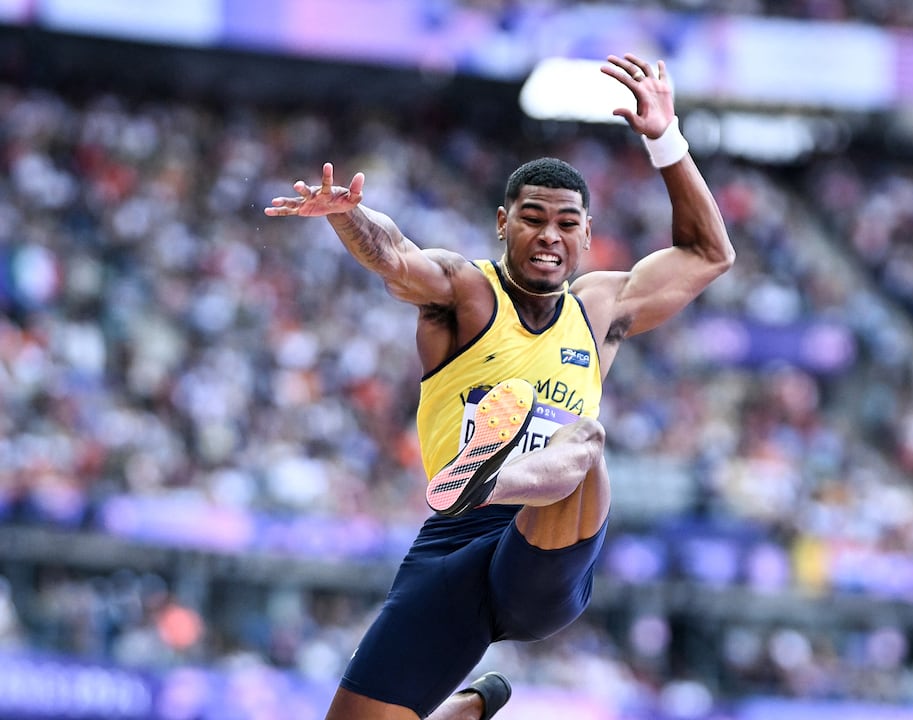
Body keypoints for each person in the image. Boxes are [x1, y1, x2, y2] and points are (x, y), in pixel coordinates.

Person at [265, 52, 734, 720]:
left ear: (587, 235)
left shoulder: (601, 308)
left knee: (586, 441)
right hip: (452, 545)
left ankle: (494, 473)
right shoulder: (467, 291)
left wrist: (666, 139)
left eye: (566, 223)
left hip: (544, 550)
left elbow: (709, 254)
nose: (548, 235)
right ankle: (468, 708)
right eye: (532, 218)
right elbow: (397, 257)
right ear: (501, 222)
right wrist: (347, 217)